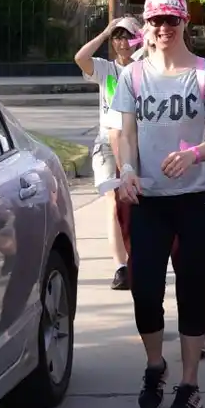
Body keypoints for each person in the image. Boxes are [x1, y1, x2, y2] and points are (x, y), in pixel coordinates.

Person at [113, 0, 205, 408]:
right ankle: (154, 365)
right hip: (149, 197)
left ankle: (189, 382)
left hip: (201, 196)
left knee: (191, 282)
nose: (164, 29)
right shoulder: (133, 76)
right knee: (145, 284)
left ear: (185, 23)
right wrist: (127, 170)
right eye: (156, 21)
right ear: (146, 25)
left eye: (171, 20)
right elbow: (126, 133)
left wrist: (193, 154)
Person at [74, 16, 144, 290]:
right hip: (106, 142)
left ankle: (140, 256)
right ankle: (121, 266)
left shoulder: (143, 67)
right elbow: (80, 57)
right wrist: (103, 33)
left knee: (137, 205)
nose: (122, 42)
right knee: (114, 202)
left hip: (136, 142)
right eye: (118, 37)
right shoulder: (105, 68)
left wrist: (145, 38)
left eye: (128, 36)